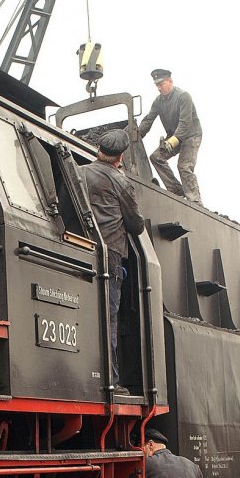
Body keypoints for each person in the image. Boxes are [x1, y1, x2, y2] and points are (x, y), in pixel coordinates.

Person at [82, 129, 145, 396]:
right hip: (110, 254)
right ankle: (110, 381)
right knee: (108, 318)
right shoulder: (121, 181)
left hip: (80, 248)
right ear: (121, 157)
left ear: (99, 150)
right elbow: (137, 225)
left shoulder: (79, 172)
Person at [139, 69, 203, 205]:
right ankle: (176, 190)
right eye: (157, 85)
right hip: (174, 136)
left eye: (161, 84)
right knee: (156, 157)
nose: (159, 88)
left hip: (191, 136)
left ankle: (195, 201)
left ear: (170, 81)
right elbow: (148, 120)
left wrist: (172, 141)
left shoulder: (183, 96)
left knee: (184, 166)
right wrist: (136, 136)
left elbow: (185, 123)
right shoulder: (158, 102)